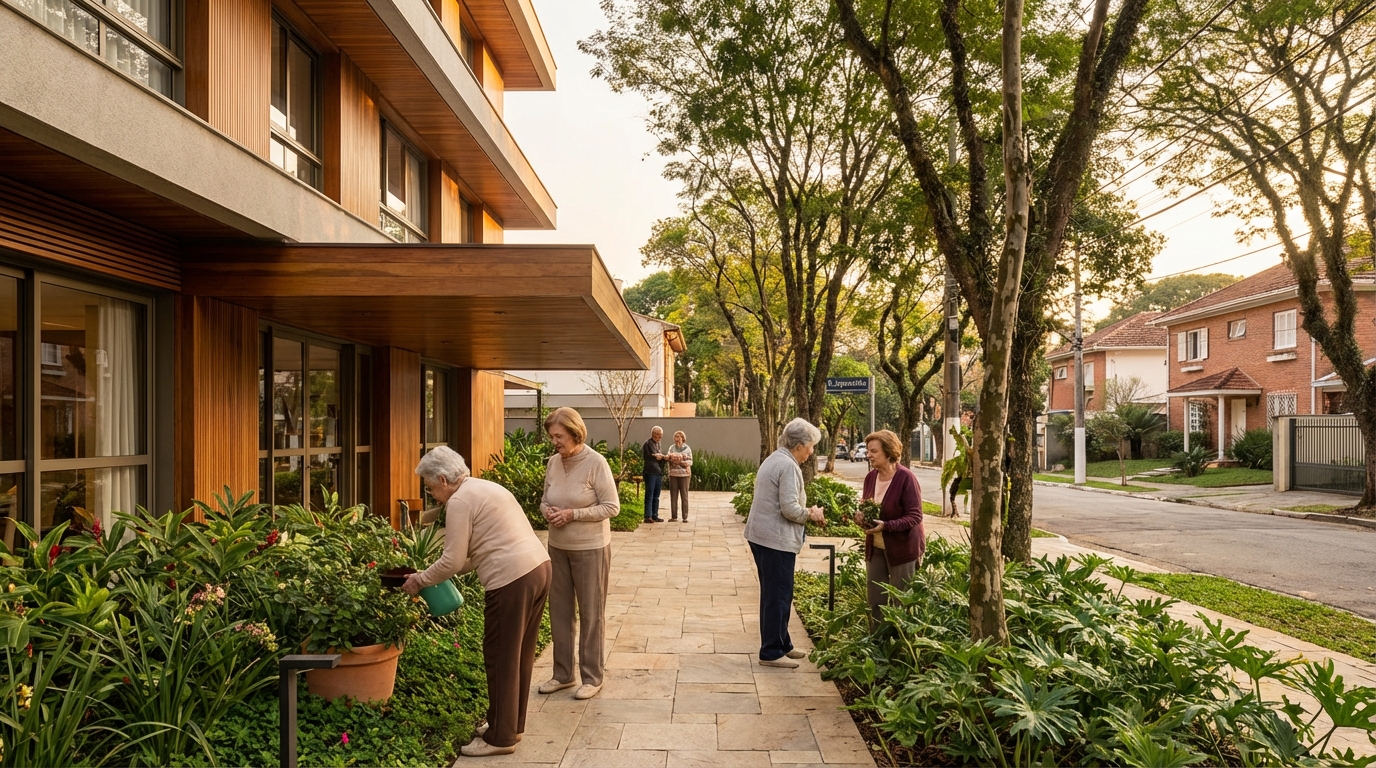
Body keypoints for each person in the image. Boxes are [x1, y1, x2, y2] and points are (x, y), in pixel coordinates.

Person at [405, 447, 550, 758]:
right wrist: (436, 571)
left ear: (443, 479)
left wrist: (420, 579)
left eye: (431, 488)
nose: (433, 496)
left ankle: (500, 738)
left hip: (511, 580)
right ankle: (511, 725)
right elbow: (476, 553)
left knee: (499, 655)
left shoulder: (459, 501)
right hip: (538, 568)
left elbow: (453, 561)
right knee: (519, 653)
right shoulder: (485, 487)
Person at [537, 407, 619, 701]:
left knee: (591, 613)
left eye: (558, 436)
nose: (554, 442)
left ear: (575, 433)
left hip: (591, 550)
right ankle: (562, 674)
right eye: (552, 437)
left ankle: (592, 676)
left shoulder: (596, 463)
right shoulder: (553, 463)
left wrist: (574, 514)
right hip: (557, 548)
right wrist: (547, 510)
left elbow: (612, 507)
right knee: (559, 612)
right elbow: (545, 499)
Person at [743, 418, 826, 668]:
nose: (812, 452)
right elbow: (790, 508)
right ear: (799, 445)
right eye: (811, 446)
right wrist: (810, 514)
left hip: (763, 537)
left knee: (776, 594)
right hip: (775, 541)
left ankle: (782, 643)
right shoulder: (788, 466)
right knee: (778, 596)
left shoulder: (776, 458)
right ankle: (771, 652)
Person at [854, 430, 925, 625]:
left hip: (902, 548)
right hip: (875, 546)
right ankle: (878, 644)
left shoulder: (906, 478)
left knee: (900, 601)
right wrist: (861, 517)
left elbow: (915, 516)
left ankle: (900, 648)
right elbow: (867, 506)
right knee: (876, 599)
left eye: (874, 451)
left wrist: (887, 526)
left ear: (889, 452)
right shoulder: (870, 478)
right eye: (868, 451)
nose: (869, 455)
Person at [666, 430, 693, 522]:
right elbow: (668, 458)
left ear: (683, 438)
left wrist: (681, 462)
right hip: (673, 474)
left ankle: (685, 517)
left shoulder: (687, 448)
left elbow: (690, 461)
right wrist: (671, 458)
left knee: (684, 495)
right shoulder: (671, 448)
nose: (677, 439)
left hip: (684, 475)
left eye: (679, 437)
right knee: (673, 495)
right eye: (676, 437)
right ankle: (674, 516)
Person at [641, 426, 667, 523]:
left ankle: (654, 515)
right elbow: (655, 456)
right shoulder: (648, 444)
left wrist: (663, 457)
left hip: (658, 472)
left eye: (661, 436)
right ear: (653, 434)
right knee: (650, 494)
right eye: (658, 435)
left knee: (656, 495)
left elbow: (660, 456)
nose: (659, 437)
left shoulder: (658, 444)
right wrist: (662, 457)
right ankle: (648, 516)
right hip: (650, 472)